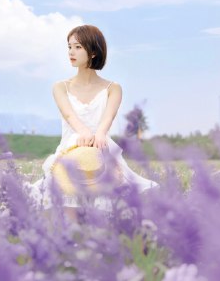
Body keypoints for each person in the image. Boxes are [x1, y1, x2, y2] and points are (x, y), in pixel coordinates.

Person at [27, 24, 157, 212]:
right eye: (69, 47)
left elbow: (109, 116)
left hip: (100, 147)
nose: (71, 52)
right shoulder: (60, 87)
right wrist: (83, 132)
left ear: (93, 52)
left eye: (78, 47)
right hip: (71, 148)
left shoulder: (113, 88)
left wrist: (100, 133)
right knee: (68, 202)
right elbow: (69, 114)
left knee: (104, 206)